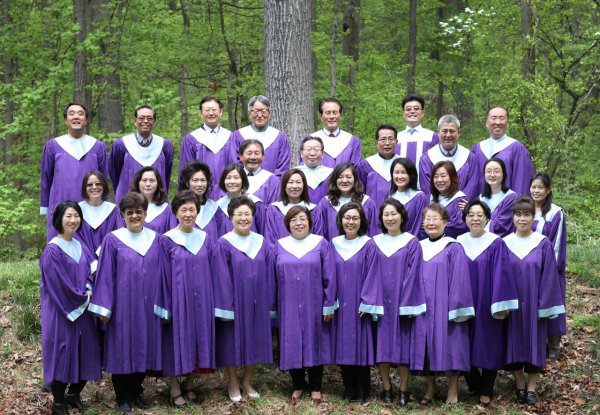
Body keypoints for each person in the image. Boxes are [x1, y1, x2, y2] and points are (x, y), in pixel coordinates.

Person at [89, 192, 167, 413]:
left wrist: (163, 304)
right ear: (123, 215)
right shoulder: (113, 240)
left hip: (149, 304)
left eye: (138, 212)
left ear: (145, 213)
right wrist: (105, 307)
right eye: (130, 212)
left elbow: (163, 274)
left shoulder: (157, 239)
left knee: (144, 346)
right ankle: (122, 396)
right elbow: (105, 275)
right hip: (122, 306)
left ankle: (136, 392)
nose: (134, 216)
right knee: (122, 349)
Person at [157, 191, 232, 408]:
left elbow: (215, 270)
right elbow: (162, 274)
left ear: (197, 213)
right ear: (176, 212)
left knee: (200, 338)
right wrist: (165, 304)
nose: (188, 214)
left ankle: (189, 383)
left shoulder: (205, 238)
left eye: (192, 209)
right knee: (175, 340)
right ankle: (174, 388)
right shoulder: (166, 240)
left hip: (203, 299)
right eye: (184, 210)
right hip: (178, 299)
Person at [40, 201, 101, 415]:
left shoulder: (79, 245)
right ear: (59, 219)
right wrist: (83, 297)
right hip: (62, 311)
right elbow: (58, 284)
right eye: (69, 216)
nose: (73, 220)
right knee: (62, 354)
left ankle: (73, 395)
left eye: (76, 216)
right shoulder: (52, 250)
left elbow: (88, 274)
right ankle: (58, 403)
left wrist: (88, 289)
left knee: (86, 350)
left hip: (83, 310)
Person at [503, 196, 565, 405]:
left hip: (534, 303)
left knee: (535, 343)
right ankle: (519, 384)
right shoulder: (505, 243)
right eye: (518, 214)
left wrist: (544, 305)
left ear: (533, 217)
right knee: (511, 343)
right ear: (513, 217)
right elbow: (500, 277)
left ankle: (531, 387)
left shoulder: (542, 243)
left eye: (527, 214)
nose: (522, 219)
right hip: (512, 304)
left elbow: (549, 277)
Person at [411, 203, 474, 405]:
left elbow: (460, 279)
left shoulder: (453, 247)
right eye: (427, 219)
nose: (431, 223)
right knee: (426, 345)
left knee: (452, 345)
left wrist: (455, 307)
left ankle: (453, 391)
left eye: (435, 218)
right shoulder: (418, 247)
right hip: (423, 305)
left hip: (446, 306)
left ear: (445, 222)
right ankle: (431, 387)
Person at [457, 200, 518, 406]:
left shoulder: (495, 243)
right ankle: (474, 382)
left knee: (489, 340)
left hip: (488, 300)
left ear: (487, 218)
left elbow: (503, 274)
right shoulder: (458, 242)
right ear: (465, 218)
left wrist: (501, 303)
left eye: (479, 215)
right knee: (464, 340)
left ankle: (486, 388)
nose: (475, 219)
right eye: (471, 215)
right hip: (464, 299)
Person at [274, 206, 336, 404]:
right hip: (288, 303)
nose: (298, 223)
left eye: (302, 218)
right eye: (293, 220)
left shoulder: (321, 243)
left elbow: (329, 276)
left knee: (315, 341)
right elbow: (273, 278)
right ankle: (298, 384)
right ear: (288, 224)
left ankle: (316, 386)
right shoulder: (279, 245)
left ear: (309, 221)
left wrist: (329, 304)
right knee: (292, 342)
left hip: (314, 302)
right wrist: (273, 306)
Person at [214, 196, 274, 402]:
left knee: (255, 338)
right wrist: (227, 305)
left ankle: (247, 380)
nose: (243, 218)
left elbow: (269, 272)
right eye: (238, 214)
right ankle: (232, 381)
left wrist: (269, 300)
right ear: (231, 217)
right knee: (231, 340)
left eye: (247, 214)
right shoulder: (224, 243)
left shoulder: (261, 242)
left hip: (258, 299)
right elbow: (221, 277)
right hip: (235, 301)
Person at [373, 199, 425, 405]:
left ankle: (403, 388)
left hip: (402, 301)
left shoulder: (411, 242)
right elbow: (370, 272)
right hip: (380, 302)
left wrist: (406, 300)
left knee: (403, 345)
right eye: (386, 214)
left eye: (393, 214)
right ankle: (386, 387)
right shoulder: (374, 242)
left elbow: (414, 274)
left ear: (402, 216)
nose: (390, 218)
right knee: (382, 345)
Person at [331, 203, 383, 403]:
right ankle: (348, 387)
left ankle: (363, 389)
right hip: (340, 302)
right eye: (347, 217)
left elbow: (373, 273)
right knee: (342, 345)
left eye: (355, 218)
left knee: (361, 345)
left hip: (359, 303)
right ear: (340, 220)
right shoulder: (333, 243)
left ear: (362, 221)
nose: (350, 222)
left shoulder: (368, 244)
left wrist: (367, 301)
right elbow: (328, 273)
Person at [41, 102, 107, 241]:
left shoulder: (97, 147)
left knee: (89, 246)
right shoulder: (53, 146)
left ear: (86, 120)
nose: (76, 116)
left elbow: (103, 180)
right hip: (60, 205)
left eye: (80, 114)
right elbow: (46, 178)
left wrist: (103, 205)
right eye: (71, 114)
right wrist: (45, 207)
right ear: (66, 120)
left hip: (91, 208)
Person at [530, 172, 567, 362]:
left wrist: (546, 268)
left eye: (540, 187)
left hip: (549, 270)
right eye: (533, 187)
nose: (536, 191)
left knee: (551, 303)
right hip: (528, 269)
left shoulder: (555, 212)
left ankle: (553, 346)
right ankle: (534, 344)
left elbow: (557, 245)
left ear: (548, 190)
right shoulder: (525, 209)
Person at [108, 105, 174, 203]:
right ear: (135, 121)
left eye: (149, 118)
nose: (145, 121)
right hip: (128, 202)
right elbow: (114, 173)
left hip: (157, 201)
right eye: (141, 118)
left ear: (154, 122)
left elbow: (167, 173)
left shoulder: (164, 145)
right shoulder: (121, 145)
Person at [179, 96, 235, 200]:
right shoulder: (191, 139)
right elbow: (185, 172)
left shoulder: (230, 137)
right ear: (201, 113)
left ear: (221, 112)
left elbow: (236, 168)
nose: (211, 113)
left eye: (214, 110)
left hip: (228, 197)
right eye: (207, 110)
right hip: (199, 198)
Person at [470, 107, 534, 196]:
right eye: (494, 118)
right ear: (487, 123)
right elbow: (472, 182)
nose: (498, 122)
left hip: (508, 203)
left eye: (502, 118)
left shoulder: (517, 148)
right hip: (480, 203)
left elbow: (522, 182)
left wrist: (518, 203)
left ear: (508, 123)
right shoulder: (477, 149)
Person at [419, 115, 479, 199]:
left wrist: (460, 203)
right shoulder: (426, 159)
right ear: (438, 132)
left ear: (459, 132)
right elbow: (427, 188)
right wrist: (439, 205)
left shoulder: (470, 158)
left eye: (452, 131)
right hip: (436, 206)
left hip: (462, 205)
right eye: (444, 131)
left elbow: (472, 186)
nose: (448, 135)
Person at [230, 95, 290, 176]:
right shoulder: (238, 136)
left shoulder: (280, 137)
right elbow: (235, 163)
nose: (260, 115)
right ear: (249, 113)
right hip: (245, 182)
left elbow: (283, 166)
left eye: (263, 111)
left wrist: (273, 182)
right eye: (256, 111)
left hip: (272, 183)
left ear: (269, 113)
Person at [315, 162, 378, 239]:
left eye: (349, 177)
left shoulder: (367, 203)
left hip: (363, 246)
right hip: (333, 246)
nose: (344, 180)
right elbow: (320, 234)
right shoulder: (325, 204)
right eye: (340, 177)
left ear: (355, 179)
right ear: (335, 180)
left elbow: (374, 232)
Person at [264, 168, 321, 247]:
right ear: (284, 185)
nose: (294, 186)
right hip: (280, 253)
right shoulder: (274, 209)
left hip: (309, 253)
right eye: (290, 182)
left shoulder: (313, 210)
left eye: (298, 182)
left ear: (304, 185)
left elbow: (318, 239)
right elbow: (270, 239)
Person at [76, 170, 123, 257]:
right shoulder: (77, 210)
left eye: (98, 184)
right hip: (83, 260)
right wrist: (91, 260)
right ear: (84, 188)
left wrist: (103, 254)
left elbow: (119, 235)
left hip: (109, 258)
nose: (94, 187)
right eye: (89, 185)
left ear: (104, 186)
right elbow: (75, 238)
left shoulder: (114, 210)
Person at [395, 94, 439, 183]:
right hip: (400, 187)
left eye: (416, 109)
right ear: (403, 114)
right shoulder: (396, 138)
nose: (412, 112)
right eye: (408, 109)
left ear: (422, 113)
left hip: (426, 186)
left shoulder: (432, 137)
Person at [308, 98, 362, 167]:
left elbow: (357, 169)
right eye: (328, 113)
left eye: (335, 113)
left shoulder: (353, 141)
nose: (331, 116)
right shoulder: (310, 141)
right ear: (321, 116)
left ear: (341, 115)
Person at [357, 124, 400, 208]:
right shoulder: (366, 165)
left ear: (396, 142)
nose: (387, 143)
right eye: (383, 139)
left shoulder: (404, 164)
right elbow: (359, 192)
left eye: (390, 139)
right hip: (372, 212)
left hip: (399, 212)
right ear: (376, 143)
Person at [178, 161, 222, 242]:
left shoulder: (214, 208)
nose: (199, 184)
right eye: (195, 180)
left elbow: (221, 237)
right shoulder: (179, 208)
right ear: (187, 183)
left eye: (203, 180)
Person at [216, 163, 265, 235]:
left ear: (243, 180)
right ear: (223, 181)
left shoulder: (256, 203)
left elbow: (264, 231)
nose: (232, 182)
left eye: (236, 178)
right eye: (228, 178)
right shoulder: (218, 207)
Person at [388, 158, 429, 237]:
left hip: (413, 242)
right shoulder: (389, 197)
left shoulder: (419, 198)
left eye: (404, 172)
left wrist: (408, 242)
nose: (399, 176)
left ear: (411, 175)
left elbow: (419, 227)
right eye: (396, 172)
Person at [130, 166, 176, 234]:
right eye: (144, 180)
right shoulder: (128, 209)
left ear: (158, 183)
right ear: (138, 183)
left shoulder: (167, 210)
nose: (148, 184)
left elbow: (173, 236)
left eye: (152, 180)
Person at [429, 160, 468, 238]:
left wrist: (433, 226)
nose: (439, 180)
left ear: (452, 177)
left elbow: (458, 226)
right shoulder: (431, 199)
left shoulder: (460, 200)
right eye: (436, 176)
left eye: (443, 176)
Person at [480, 158, 517, 237]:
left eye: (496, 171)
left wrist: (478, 223)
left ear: (503, 174)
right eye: (488, 171)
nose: (492, 175)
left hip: (501, 242)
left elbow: (502, 226)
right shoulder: (481, 198)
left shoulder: (511, 197)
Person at [238, 139, 281, 203]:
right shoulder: (232, 179)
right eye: (249, 153)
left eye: (256, 153)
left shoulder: (272, 180)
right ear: (240, 156)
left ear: (263, 156)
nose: (253, 157)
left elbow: (274, 207)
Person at [296, 135, 333, 203]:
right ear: (301, 153)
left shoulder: (331, 174)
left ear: (322, 153)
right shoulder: (294, 174)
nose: (312, 153)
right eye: (308, 149)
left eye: (316, 150)